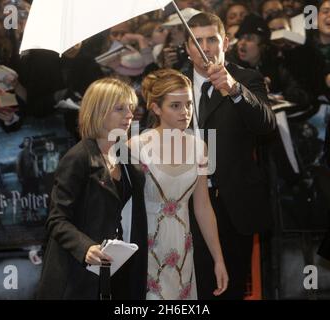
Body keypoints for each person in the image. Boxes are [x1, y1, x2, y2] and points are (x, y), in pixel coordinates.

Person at [184, 12, 276, 299]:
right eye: (197, 41)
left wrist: (234, 89)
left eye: (212, 39)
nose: (205, 47)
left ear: (225, 42)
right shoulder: (175, 85)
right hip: (187, 201)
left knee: (232, 289)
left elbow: (266, 127)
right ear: (187, 48)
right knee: (195, 285)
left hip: (235, 204)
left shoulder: (247, 78)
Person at [37, 78, 148, 300]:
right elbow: (57, 219)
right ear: (98, 111)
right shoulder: (78, 157)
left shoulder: (125, 159)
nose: (129, 115)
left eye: (130, 108)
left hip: (114, 272)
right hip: (76, 275)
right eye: (120, 109)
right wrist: (85, 247)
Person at [130, 69, 228, 300]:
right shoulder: (136, 147)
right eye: (175, 105)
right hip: (146, 251)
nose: (185, 112)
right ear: (155, 108)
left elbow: (203, 207)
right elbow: (125, 210)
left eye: (189, 104)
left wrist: (219, 260)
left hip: (184, 253)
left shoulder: (200, 147)